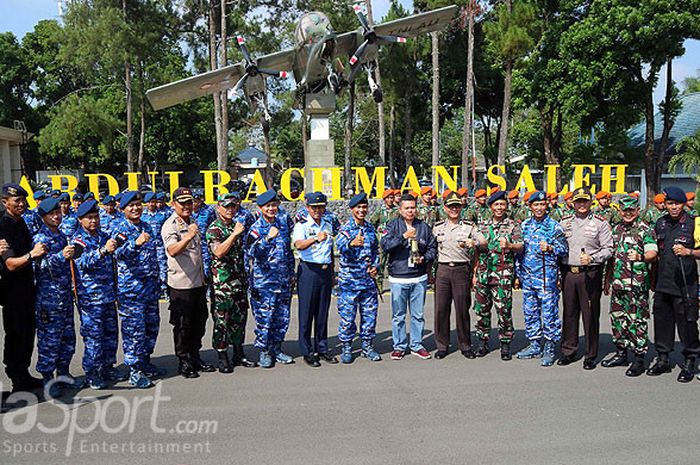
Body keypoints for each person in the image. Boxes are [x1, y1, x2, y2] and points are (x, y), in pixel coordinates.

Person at [646, 186, 700, 383]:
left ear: (684, 204)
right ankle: (663, 359)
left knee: (687, 324)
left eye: (677, 203)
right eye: (670, 203)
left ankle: (690, 360)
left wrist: (690, 252)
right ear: (665, 205)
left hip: (685, 284)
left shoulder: (695, 223)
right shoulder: (660, 223)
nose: (674, 207)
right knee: (662, 322)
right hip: (663, 283)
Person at [71, 199, 126, 389]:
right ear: (80, 220)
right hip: (90, 298)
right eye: (89, 218)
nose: (93, 221)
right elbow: (82, 263)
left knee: (110, 334)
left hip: (108, 294)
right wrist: (102, 252)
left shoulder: (104, 236)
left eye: (95, 217)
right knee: (94, 337)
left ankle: (108, 367)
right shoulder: (77, 240)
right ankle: (92, 371)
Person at [558, 187, 613, 370]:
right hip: (568, 272)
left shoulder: (600, 223)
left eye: (585, 201)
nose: (581, 205)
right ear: (572, 203)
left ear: (591, 202)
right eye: (578, 201)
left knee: (590, 315)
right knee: (569, 313)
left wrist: (593, 258)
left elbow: (608, 249)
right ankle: (568, 350)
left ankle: (590, 353)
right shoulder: (564, 222)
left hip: (590, 273)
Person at [602, 195, 657, 377]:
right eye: (624, 210)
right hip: (618, 284)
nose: (627, 213)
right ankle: (621, 353)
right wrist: (607, 280)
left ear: (637, 211)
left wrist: (640, 257)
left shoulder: (645, 230)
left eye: (631, 210)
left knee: (637, 321)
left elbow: (652, 253)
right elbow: (611, 258)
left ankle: (639, 359)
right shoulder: (616, 230)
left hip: (636, 285)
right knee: (618, 319)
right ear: (619, 211)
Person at [162, 187, 215, 379]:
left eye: (189, 202)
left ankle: (195, 355)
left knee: (199, 321)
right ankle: (183, 361)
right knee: (183, 324)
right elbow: (173, 250)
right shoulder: (170, 225)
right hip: (181, 284)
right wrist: (189, 236)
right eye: (182, 202)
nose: (186, 206)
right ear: (173, 204)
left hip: (198, 281)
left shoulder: (192, 221)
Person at [112, 191, 162, 388]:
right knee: (134, 331)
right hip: (131, 290)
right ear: (122, 209)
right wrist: (135, 243)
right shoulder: (120, 229)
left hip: (149, 287)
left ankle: (145, 361)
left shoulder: (147, 225)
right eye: (130, 206)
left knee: (151, 326)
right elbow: (117, 254)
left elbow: (154, 256)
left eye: (138, 204)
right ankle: (134, 370)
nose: (135, 208)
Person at [380, 193, 437, 360]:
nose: (410, 211)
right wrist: (403, 237)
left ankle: (417, 345)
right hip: (399, 277)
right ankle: (399, 346)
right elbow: (385, 245)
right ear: (400, 209)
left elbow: (432, 248)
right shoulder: (392, 225)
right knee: (398, 315)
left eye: (413, 207)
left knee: (417, 315)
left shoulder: (424, 227)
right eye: (407, 208)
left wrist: (424, 258)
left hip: (418, 278)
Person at [0, 184, 45, 392]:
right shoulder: (3, 226)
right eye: (16, 201)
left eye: (22, 200)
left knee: (28, 333)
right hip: (12, 291)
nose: (21, 204)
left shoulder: (20, 223)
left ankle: (24, 374)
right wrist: (32, 255)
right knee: (16, 334)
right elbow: (10, 264)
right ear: (4, 202)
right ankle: (17, 380)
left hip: (27, 287)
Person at [32, 197, 79, 395]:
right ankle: (47, 379)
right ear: (43, 217)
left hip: (65, 295)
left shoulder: (61, 235)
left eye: (58, 212)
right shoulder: (39, 238)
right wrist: (62, 256)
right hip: (48, 299)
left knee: (68, 339)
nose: (57, 216)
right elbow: (39, 266)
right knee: (49, 341)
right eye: (52, 214)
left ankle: (64, 374)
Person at [516, 191, 568, 366]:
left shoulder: (554, 226)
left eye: (542, 204)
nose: (539, 208)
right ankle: (535, 343)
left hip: (546, 277)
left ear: (547, 205)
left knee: (549, 312)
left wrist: (552, 248)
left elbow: (564, 249)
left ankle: (550, 346)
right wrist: (518, 273)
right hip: (528, 277)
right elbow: (519, 251)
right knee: (530, 311)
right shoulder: (524, 226)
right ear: (530, 207)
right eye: (535, 205)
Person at [206, 193, 257, 373]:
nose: (230, 210)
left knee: (240, 318)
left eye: (233, 206)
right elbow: (218, 252)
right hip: (222, 284)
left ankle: (239, 352)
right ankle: (222, 355)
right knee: (222, 320)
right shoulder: (214, 229)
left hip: (238, 281)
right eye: (226, 206)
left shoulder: (237, 225)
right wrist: (235, 235)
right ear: (218, 208)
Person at [245, 189, 295, 368]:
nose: (272, 208)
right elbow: (252, 252)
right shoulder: (255, 229)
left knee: (282, 317)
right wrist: (267, 238)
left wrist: (291, 273)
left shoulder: (282, 224)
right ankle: (264, 351)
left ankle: (277, 348)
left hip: (282, 281)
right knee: (264, 318)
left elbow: (288, 252)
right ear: (260, 208)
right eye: (268, 206)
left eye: (274, 205)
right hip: (264, 282)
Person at [432, 191, 485, 359]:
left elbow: (484, 243)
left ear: (461, 207)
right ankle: (442, 345)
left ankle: (465, 345)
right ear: (445, 208)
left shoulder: (469, 226)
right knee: (441, 309)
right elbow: (430, 248)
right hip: (443, 270)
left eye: (457, 206)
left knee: (462, 309)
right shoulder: (438, 227)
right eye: (451, 206)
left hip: (461, 270)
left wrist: (474, 242)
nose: (454, 209)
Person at [473, 190, 523, 360]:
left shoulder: (513, 225)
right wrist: (474, 272)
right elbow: (476, 250)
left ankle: (505, 345)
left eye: (502, 204)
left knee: (504, 310)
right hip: (483, 274)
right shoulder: (482, 225)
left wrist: (510, 244)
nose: (500, 207)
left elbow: (521, 246)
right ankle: (482, 342)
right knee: (481, 310)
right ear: (491, 206)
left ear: (506, 206)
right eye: (496, 204)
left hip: (503, 274)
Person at [293, 192, 337, 367]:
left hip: (325, 270)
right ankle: (307, 350)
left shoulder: (328, 223)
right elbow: (298, 245)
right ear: (308, 208)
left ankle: (322, 347)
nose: (318, 210)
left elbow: (330, 250)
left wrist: (332, 273)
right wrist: (314, 239)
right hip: (309, 270)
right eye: (314, 207)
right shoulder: (302, 225)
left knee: (322, 312)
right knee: (307, 312)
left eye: (321, 207)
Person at [336, 193, 382, 363]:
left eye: (364, 207)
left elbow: (376, 251)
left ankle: (367, 347)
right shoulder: (346, 228)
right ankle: (347, 347)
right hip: (350, 282)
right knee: (348, 318)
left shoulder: (370, 228)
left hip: (368, 282)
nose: (362, 210)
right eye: (358, 208)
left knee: (369, 316)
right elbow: (338, 245)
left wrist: (375, 267)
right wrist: (350, 243)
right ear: (352, 209)